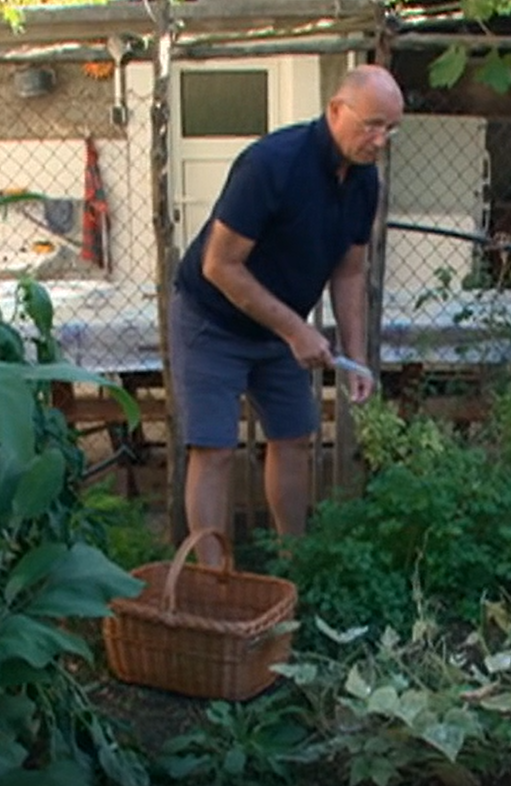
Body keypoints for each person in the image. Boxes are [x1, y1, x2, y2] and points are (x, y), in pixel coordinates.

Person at [169, 64, 404, 565]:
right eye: (373, 125)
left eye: (391, 129)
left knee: (294, 439)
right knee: (214, 450)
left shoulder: (364, 184)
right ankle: (216, 581)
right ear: (337, 110)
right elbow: (219, 265)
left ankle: (293, 565)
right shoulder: (271, 164)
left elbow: (349, 272)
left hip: (279, 327)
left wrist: (357, 358)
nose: (381, 140)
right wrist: (297, 330)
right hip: (213, 319)